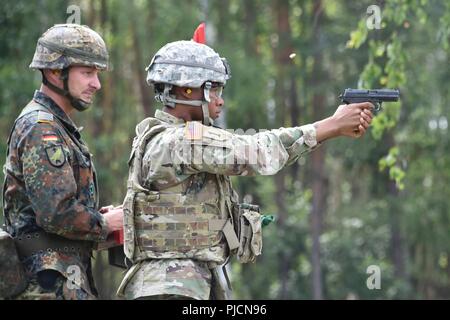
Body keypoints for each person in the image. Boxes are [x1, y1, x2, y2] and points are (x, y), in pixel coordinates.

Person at [117, 40, 373, 300]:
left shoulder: (176, 137)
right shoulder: (181, 138)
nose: (220, 101)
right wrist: (330, 125)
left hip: (183, 282)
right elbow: (255, 151)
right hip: (172, 286)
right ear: (186, 90)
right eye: (213, 90)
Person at [1, 24, 123, 300]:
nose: (97, 83)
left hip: (60, 278)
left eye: (97, 74)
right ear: (55, 72)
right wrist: (104, 223)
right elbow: (56, 213)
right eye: (87, 73)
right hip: (46, 283)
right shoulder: (41, 128)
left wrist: (97, 217)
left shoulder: (56, 126)